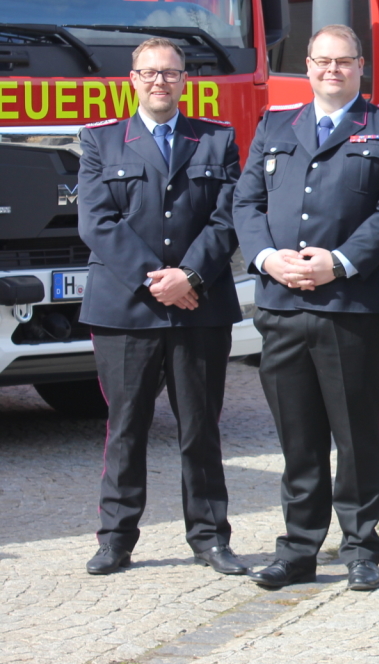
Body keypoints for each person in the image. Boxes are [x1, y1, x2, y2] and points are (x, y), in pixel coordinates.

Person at [233, 24, 379, 590]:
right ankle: (298, 549)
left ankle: (361, 546)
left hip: (350, 304)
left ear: (361, 66)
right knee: (298, 434)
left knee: (355, 432)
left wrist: (336, 262)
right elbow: (247, 200)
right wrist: (266, 258)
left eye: (343, 61)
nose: (331, 70)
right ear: (307, 66)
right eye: (321, 61)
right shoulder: (275, 124)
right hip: (282, 302)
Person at [78, 38, 245, 576]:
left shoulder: (217, 140)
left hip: (201, 306)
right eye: (149, 73)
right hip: (126, 310)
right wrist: (158, 282)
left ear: (183, 80)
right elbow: (97, 222)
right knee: (126, 425)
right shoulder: (102, 140)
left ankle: (210, 537)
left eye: (170, 73)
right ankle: (116, 539)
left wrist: (190, 276)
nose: (159, 82)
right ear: (132, 79)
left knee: (201, 427)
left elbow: (228, 218)